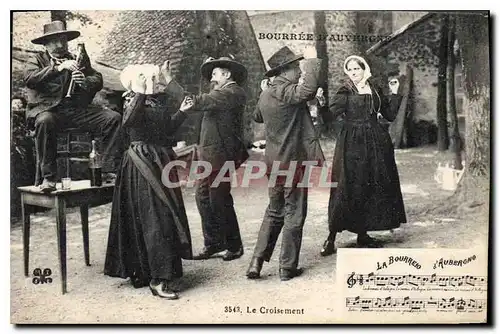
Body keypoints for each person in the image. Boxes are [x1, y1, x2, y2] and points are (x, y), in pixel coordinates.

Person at [104, 64, 194, 300]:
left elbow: (166, 131)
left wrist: (182, 111)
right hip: (141, 163)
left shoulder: (158, 100)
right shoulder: (132, 100)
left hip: (161, 159)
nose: (154, 81)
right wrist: (141, 92)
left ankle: (157, 272)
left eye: (154, 78)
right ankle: (155, 278)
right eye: (148, 78)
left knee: (162, 215)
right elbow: (129, 123)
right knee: (154, 216)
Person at [246, 46, 325, 281]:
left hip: (273, 161)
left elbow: (257, 116)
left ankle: (256, 262)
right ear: (285, 71)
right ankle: (287, 267)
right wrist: (312, 60)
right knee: (294, 211)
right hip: (292, 161)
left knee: (274, 210)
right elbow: (308, 89)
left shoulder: (268, 92)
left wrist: (264, 90)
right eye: (296, 68)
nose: (300, 73)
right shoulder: (287, 91)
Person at [161, 57, 249, 262]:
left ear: (227, 75)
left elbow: (195, 101)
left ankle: (234, 246)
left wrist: (168, 78)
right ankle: (214, 243)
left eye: (215, 73)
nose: (212, 77)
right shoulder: (221, 93)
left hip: (221, 155)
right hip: (210, 154)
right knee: (202, 197)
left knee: (219, 199)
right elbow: (201, 100)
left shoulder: (232, 92)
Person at [320, 55, 407, 256]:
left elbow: (390, 115)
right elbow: (328, 117)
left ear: (364, 69)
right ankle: (331, 238)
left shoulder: (375, 89)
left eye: (356, 69)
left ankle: (363, 234)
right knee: (346, 186)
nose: (353, 73)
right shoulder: (345, 91)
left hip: (376, 142)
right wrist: (322, 103)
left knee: (371, 185)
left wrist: (394, 93)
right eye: (349, 70)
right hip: (352, 143)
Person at [24, 21, 122, 192]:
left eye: (63, 40)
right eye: (55, 41)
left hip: (77, 110)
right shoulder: (37, 60)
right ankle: (49, 178)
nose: (61, 44)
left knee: (113, 118)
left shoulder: (78, 57)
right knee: (45, 121)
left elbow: (97, 78)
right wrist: (58, 68)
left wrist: (85, 82)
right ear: (45, 44)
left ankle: (107, 171)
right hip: (49, 110)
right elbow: (30, 79)